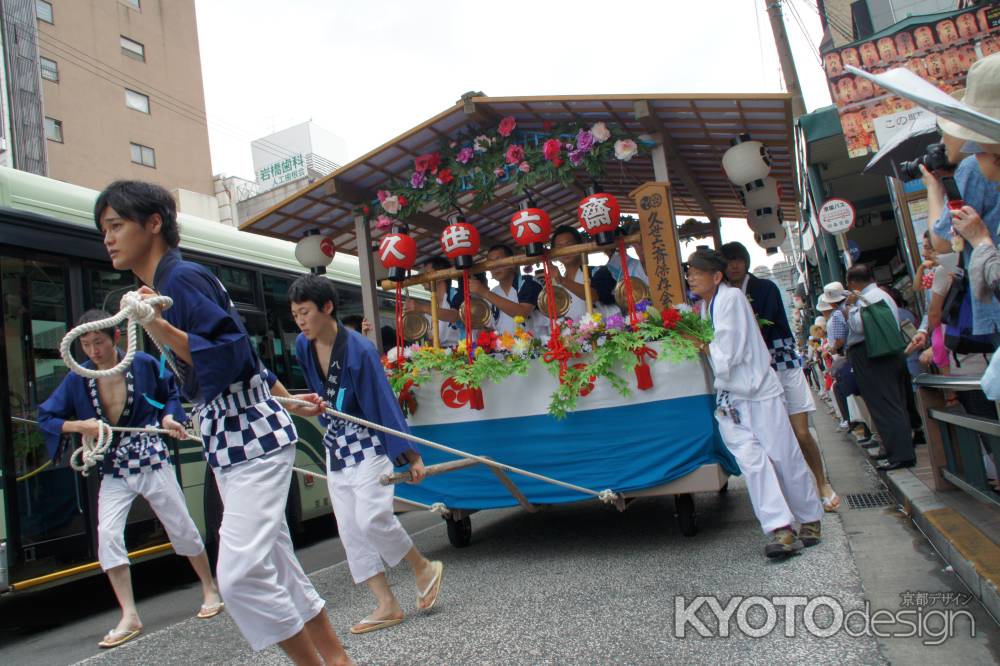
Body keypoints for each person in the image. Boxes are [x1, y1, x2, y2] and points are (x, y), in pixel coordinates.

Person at [93, 180, 351, 666]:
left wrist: (157, 325)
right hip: (235, 443)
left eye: (116, 225)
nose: (107, 238)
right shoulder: (167, 287)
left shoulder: (182, 280)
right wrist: (287, 401)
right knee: (277, 564)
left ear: (153, 224)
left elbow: (231, 352)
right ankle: (337, 660)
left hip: (250, 443)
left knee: (239, 577)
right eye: (103, 228)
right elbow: (245, 360)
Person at [38, 310, 222, 649]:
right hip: (113, 466)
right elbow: (46, 416)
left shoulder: (142, 365)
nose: (93, 351)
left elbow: (169, 393)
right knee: (108, 534)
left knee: (181, 525)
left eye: (99, 342)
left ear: (117, 339)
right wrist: (82, 426)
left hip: (151, 456)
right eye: (86, 344)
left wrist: (169, 417)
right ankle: (129, 613)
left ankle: (209, 588)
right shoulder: (78, 377)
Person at [288, 274, 444, 635]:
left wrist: (409, 454)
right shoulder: (301, 344)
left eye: (305, 312)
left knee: (373, 517)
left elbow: (384, 403)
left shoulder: (359, 349)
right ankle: (386, 603)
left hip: (369, 440)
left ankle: (423, 567)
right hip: (336, 443)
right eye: (295, 314)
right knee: (350, 528)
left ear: (327, 308)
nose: (300, 321)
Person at [686, 248, 823, 558]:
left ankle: (810, 519)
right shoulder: (708, 306)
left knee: (781, 456)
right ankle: (780, 528)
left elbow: (728, 352)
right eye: (689, 271)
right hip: (731, 399)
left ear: (716, 276)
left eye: (696, 271)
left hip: (758, 392)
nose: (691, 277)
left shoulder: (730, 299)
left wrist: (702, 347)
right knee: (753, 462)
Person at [720, 242, 839, 512]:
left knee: (800, 432)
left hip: (782, 365)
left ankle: (822, 483)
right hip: (753, 374)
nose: (735, 265)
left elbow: (763, 324)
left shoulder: (765, 288)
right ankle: (793, 496)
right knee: (770, 439)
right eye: (729, 261)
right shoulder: (722, 295)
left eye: (739, 259)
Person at [844, 264, 916, 471]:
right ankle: (899, 451)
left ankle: (900, 455)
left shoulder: (867, 299)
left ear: (853, 283)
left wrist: (851, 307)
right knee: (895, 403)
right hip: (889, 354)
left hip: (874, 355)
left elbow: (859, 326)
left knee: (884, 406)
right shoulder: (883, 295)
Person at [546, 225, 616, 324]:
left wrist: (562, 280)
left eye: (569, 245)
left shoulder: (598, 271)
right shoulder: (556, 282)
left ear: (580, 245)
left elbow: (594, 296)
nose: (565, 251)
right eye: (559, 247)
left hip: (600, 335)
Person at [469, 243, 542, 335]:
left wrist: (484, 292)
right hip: (503, 347)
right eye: (491, 263)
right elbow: (489, 326)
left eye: (499, 262)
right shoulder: (494, 292)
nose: (495, 267)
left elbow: (522, 314)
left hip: (533, 347)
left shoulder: (529, 282)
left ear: (512, 263)